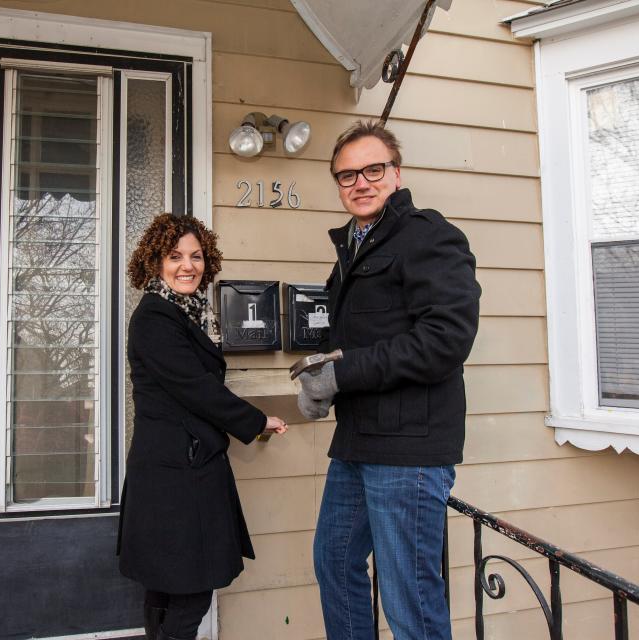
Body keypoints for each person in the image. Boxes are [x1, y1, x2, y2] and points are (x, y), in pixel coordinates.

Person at [296, 121, 481, 640]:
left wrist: (340, 374)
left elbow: (446, 339)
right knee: (334, 561)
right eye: (347, 174)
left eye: (372, 169)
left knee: (408, 599)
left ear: (395, 173)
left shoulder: (427, 235)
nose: (360, 182)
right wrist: (317, 372)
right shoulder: (356, 247)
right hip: (358, 441)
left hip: (408, 451)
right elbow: (359, 335)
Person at [117, 213, 288, 640]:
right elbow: (196, 389)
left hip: (178, 466)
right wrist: (256, 420)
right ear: (155, 262)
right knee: (189, 590)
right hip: (176, 474)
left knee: (167, 585)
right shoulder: (156, 319)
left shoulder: (187, 315)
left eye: (196, 256)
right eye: (174, 256)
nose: (187, 266)